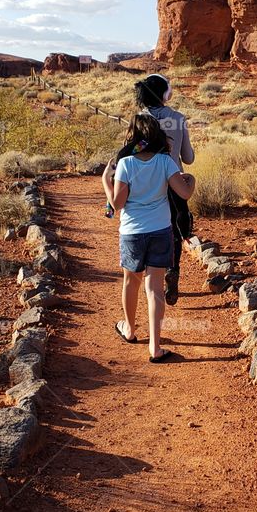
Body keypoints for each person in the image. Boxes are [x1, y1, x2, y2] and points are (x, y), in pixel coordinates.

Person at [102, 113, 195, 363]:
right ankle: (155, 347)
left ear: (133, 135)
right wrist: (192, 180)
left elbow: (117, 204)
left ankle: (130, 330)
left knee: (131, 282)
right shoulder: (165, 162)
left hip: (132, 232)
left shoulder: (126, 164)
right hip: (160, 230)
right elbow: (184, 193)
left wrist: (105, 181)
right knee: (154, 288)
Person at [134, 73, 194, 306]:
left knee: (149, 228)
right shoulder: (178, 118)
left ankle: (151, 277)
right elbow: (188, 157)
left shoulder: (139, 119)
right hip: (174, 180)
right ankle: (173, 270)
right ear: (163, 94)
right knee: (174, 229)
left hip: (146, 184)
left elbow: (135, 150)